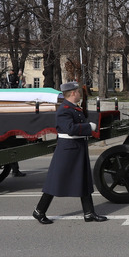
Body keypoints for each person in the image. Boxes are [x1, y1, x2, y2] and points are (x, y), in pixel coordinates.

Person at [31, 81, 107, 225]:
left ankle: (89, 213)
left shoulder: (73, 107)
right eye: (78, 92)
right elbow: (70, 128)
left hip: (77, 147)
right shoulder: (64, 109)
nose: (80, 94)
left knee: (84, 179)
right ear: (72, 93)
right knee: (56, 181)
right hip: (68, 149)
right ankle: (39, 211)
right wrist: (88, 127)